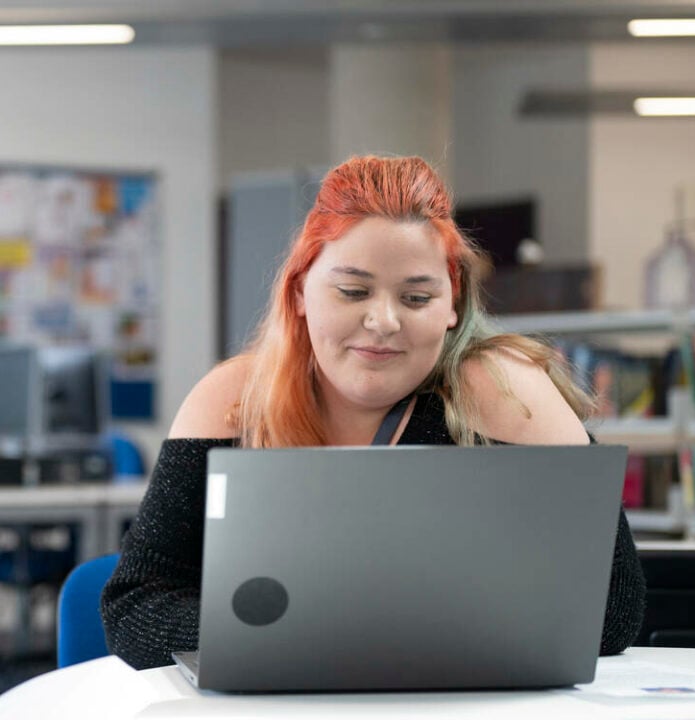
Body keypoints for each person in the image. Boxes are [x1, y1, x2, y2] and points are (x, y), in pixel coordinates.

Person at [101, 155, 646, 670]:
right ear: (299, 291)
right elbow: (134, 607)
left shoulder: (504, 392)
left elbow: (611, 612)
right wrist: (308, 638)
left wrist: (346, 636)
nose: (383, 321)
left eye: (416, 299)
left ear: (452, 304)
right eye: (353, 291)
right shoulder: (234, 400)